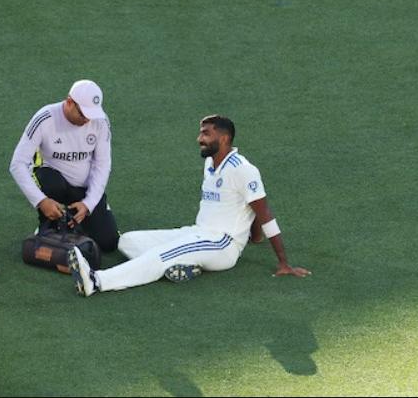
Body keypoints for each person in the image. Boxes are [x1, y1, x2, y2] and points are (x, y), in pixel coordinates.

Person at [69, 115, 310, 297]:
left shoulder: (243, 169)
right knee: (127, 241)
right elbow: (250, 208)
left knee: (161, 255)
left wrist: (283, 262)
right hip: (197, 233)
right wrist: (255, 237)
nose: (199, 139)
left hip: (222, 243)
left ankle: (97, 281)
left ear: (224, 138)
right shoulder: (211, 164)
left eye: (206, 134)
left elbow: (263, 212)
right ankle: (183, 265)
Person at [10, 80, 119, 252]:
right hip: (54, 184)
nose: (87, 120)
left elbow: (103, 164)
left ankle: (74, 224)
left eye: (91, 115)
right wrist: (41, 201)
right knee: (49, 180)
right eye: (83, 114)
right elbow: (17, 164)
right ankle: (49, 222)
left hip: (83, 189)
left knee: (108, 243)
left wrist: (89, 203)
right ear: (69, 102)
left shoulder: (100, 122)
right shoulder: (45, 119)